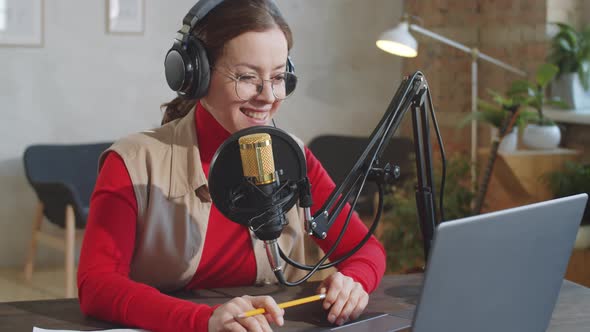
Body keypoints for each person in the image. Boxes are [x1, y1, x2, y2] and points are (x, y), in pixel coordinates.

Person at [77, 0, 386, 331]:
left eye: (279, 77)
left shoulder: (293, 156)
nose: (268, 96)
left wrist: (354, 281)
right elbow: (97, 285)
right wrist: (204, 321)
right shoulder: (133, 162)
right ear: (196, 75)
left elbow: (365, 249)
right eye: (247, 77)